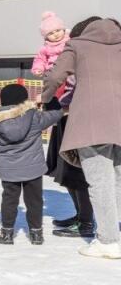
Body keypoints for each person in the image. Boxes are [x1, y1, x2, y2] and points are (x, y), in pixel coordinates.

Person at [39, 17, 121, 259]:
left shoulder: (77, 45)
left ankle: (108, 241)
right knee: (117, 179)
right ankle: (115, 234)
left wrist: (44, 98)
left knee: (100, 181)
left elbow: (55, 77)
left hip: (91, 121)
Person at [0, 83, 61, 245]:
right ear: (24, 100)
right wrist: (51, 102)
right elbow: (55, 115)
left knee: (9, 200)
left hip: (9, 170)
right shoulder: (34, 116)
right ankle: (36, 233)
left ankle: (7, 233)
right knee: (34, 201)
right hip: (33, 168)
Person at [45, 16, 100, 239]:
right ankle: (80, 215)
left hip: (82, 121)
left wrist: (48, 96)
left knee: (78, 173)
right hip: (67, 115)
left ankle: (86, 223)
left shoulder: (95, 58)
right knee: (66, 171)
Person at [31, 11, 69, 77]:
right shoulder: (46, 47)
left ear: (63, 29)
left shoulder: (70, 40)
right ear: (46, 36)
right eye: (51, 33)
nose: (56, 34)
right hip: (53, 72)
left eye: (58, 30)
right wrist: (38, 69)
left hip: (69, 69)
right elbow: (40, 59)